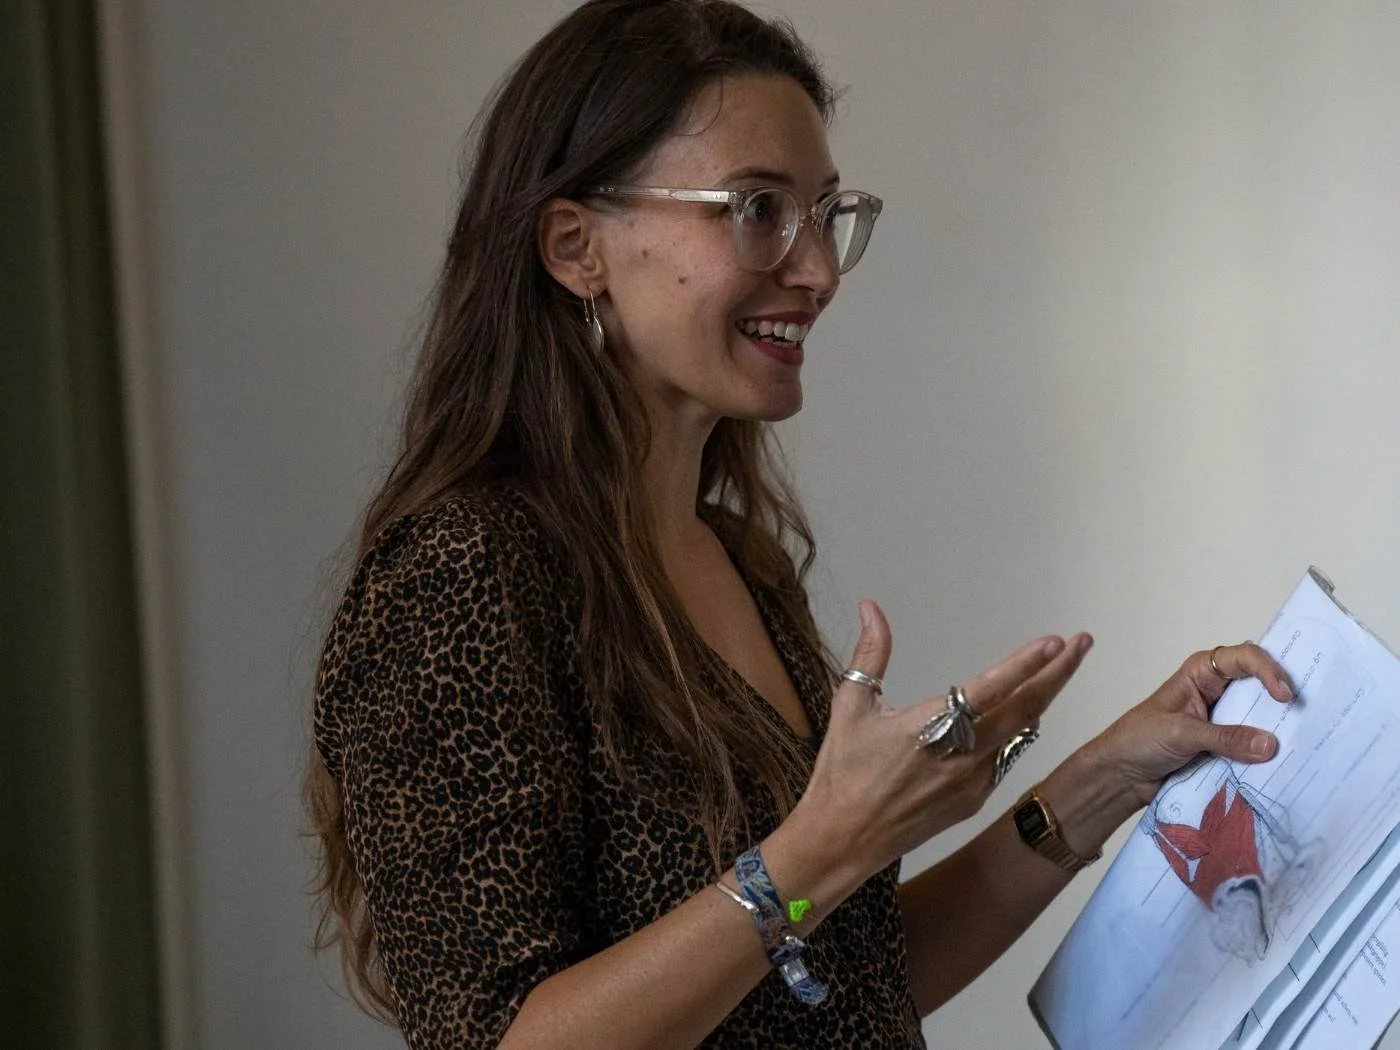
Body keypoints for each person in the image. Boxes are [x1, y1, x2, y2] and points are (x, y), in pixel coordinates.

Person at [305, 1, 1297, 1047]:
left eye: (824, 213)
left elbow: (837, 984)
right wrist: (820, 850)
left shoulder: (734, 557)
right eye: (756, 209)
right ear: (574, 246)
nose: (817, 268)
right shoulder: (459, 578)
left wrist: (1093, 787)